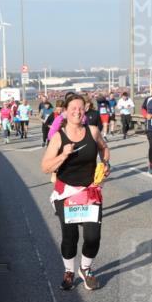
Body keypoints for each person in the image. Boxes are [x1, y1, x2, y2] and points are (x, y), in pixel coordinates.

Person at [41, 92, 111, 291]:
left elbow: (104, 149)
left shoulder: (93, 131)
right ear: (65, 112)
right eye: (73, 109)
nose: (77, 112)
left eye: (81, 108)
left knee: (93, 236)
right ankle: (69, 271)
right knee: (70, 237)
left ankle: (85, 268)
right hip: (67, 193)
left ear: (85, 110)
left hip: (90, 190)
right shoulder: (58, 137)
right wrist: (63, 154)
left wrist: (105, 163)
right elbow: (45, 167)